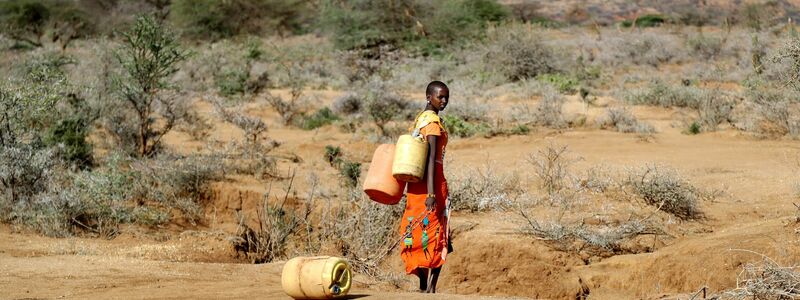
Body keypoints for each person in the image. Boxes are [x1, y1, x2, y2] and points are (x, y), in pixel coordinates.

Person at [398, 81, 451, 293]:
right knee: (438, 231)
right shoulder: (433, 124)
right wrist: (431, 193)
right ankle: (430, 288)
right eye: (440, 97)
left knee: (415, 229)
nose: (444, 101)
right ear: (429, 97)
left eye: (446, 97)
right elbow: (430, 160)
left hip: (415, 185)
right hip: (432, 184)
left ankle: (423, 284)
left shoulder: (420, 120)